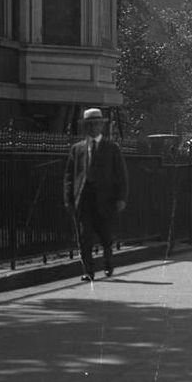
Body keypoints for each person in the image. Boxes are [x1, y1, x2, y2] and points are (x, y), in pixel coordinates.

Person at [68, 107, 129, 282]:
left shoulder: (112, 148)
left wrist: (121, 198)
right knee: (84, 236)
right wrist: (69, 198)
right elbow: (69, 176)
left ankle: (108, 261)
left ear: (101, 127)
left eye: (96, 124)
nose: (93, 128)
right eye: (89, 125)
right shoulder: (77, 149)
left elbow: (121, 175)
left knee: (106, 236)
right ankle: (88, 271)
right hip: (84, 199)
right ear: (85, 127)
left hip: (105, 199)